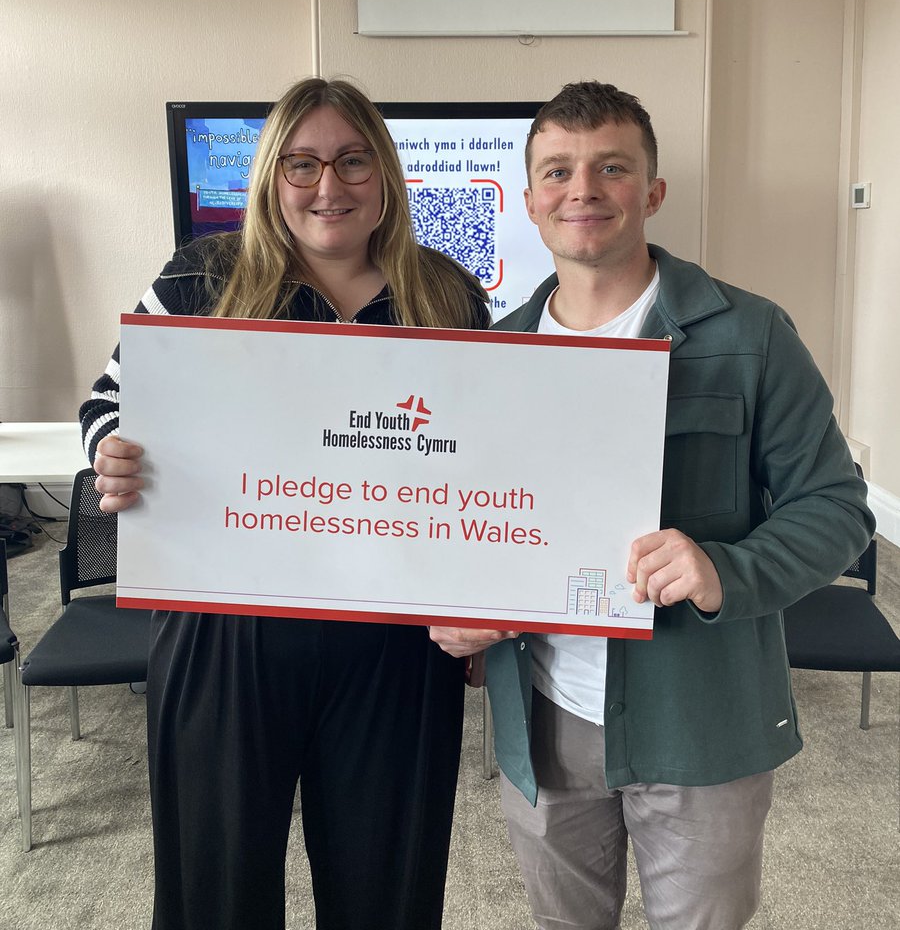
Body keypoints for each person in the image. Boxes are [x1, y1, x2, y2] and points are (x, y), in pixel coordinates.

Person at [429, 81, 874, 930]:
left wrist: (723, 570)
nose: (583, 189)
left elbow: (838, 508)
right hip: (548, 719)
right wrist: (456, 609)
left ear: (653, 192)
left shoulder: (752, 334)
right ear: (529, 201)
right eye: (557, 171)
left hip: (702, 718)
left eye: (611, 167)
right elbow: (475, 521)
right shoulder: (493, 355)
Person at [81, 77, 490, 930]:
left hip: (395, 639)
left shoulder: (448, 295)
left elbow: (487, 460)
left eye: (351, 161)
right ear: (272, 176)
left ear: (385, 173)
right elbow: (107, 402)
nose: (327, 187)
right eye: (301, 164)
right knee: (213, 889)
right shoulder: (200, 277)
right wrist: (111, 453)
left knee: (389, 886)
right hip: (225, 627)